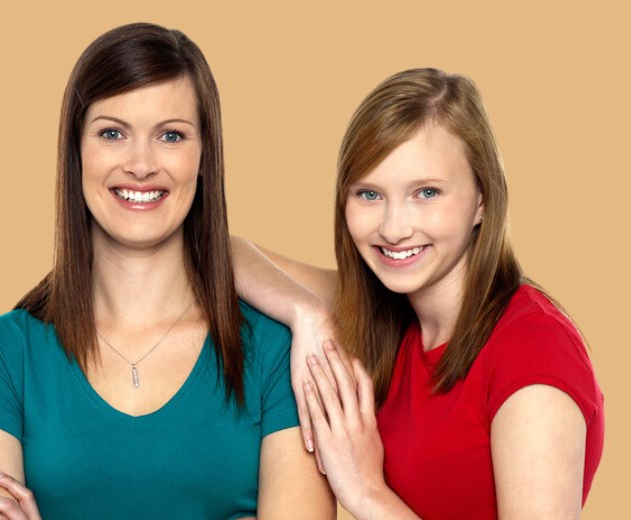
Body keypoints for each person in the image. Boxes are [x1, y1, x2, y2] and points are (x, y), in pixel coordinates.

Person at [0, 23, 334, 519]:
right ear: (75, 151)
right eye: (112, 133)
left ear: (204, 156)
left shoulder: (278, 354)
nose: (142, 164)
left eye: (171, 135)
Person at [232, 68, 604, 519]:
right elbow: (223, 252)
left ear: (483, 198)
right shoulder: (390, 308)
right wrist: (305, 314)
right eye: (369, 194)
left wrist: (366, 491)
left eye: (426, 192)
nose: (393, 228)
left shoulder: (532, 352)